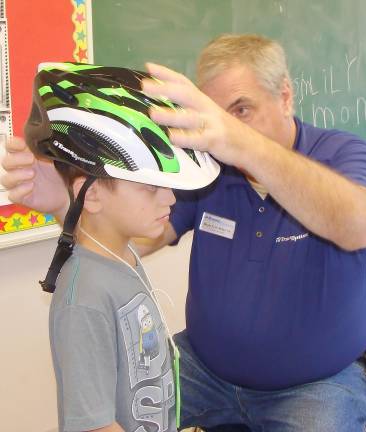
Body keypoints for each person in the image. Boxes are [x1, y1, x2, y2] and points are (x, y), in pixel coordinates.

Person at [1, 34, 366, 431]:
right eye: (217, 116)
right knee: (114, 399)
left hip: (316, 386)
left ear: (285, 96)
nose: (225, 133)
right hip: (205, 372)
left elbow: (358, 226)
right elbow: (141, 233)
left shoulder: (343, 155)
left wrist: (241, 146)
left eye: (242, 110)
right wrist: (69, 203)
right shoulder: (210, 171)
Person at [21, 62, 219, 432]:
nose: (171, 199)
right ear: (90, 194)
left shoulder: (120, 256)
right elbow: (94, 425)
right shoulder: (84, 299)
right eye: (151, 187)